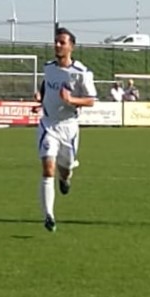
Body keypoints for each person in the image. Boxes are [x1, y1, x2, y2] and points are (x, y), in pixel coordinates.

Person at [35, 27, 97, 232]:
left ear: (71, 46)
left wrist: (71, 100)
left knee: (65, 167)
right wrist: (41, 98)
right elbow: (45, 86)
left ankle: (66, 177)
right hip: (48, 125)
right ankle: (49, 216)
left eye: (62, 42)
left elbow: (91, 100)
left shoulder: (81, 73)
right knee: (47, 168)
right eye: (56, 41)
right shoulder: (48, 67)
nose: (57, 45)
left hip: (69, 128)